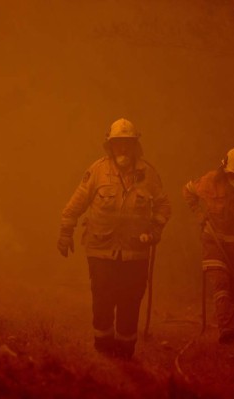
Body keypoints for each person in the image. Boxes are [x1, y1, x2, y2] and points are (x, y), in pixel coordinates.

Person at [57, 118, 171, 358]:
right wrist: (66, 233)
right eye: (118, 143)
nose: (122, 148)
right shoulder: (97, 171)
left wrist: (155, 231)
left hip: (136, 252)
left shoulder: (148, 174)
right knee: (103, 298)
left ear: (135, 145)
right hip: (100, 249)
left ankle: (125, 351)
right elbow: (75, 205)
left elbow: (163, 206)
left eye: (127, 143)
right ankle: (103, 348)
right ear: (110, 145)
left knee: (130, 301)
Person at [182, 147, 234, 344]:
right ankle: (226, 330)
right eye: (233, 175)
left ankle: (233, 332)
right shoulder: (212, 181)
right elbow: (188, 191)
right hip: (215, 244)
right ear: (225, 170)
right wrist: (199, 215)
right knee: (221, 285)